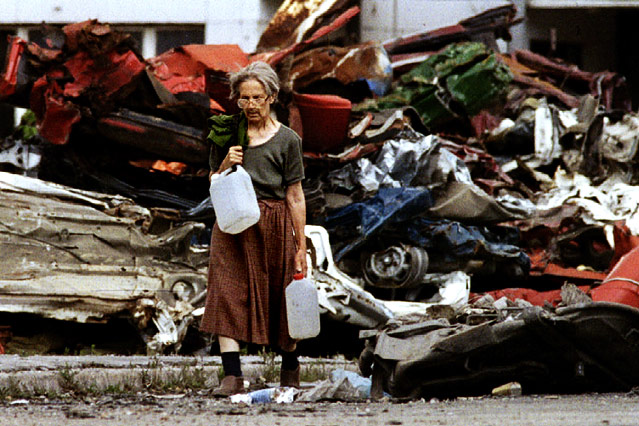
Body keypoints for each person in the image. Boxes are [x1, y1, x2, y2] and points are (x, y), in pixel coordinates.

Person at [200, 61, 307, 396]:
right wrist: (224, 163)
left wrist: (300, 246)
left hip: (273, 224)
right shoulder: (225, 132)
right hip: (232, 222)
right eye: (243, 98)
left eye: (257, 98)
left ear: (271, 97)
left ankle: (290, 369)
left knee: (281, 297)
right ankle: (232, 375)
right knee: (225, 293)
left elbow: (295, 195)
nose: (250, 105)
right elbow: (213, 182)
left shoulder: (288, 140)